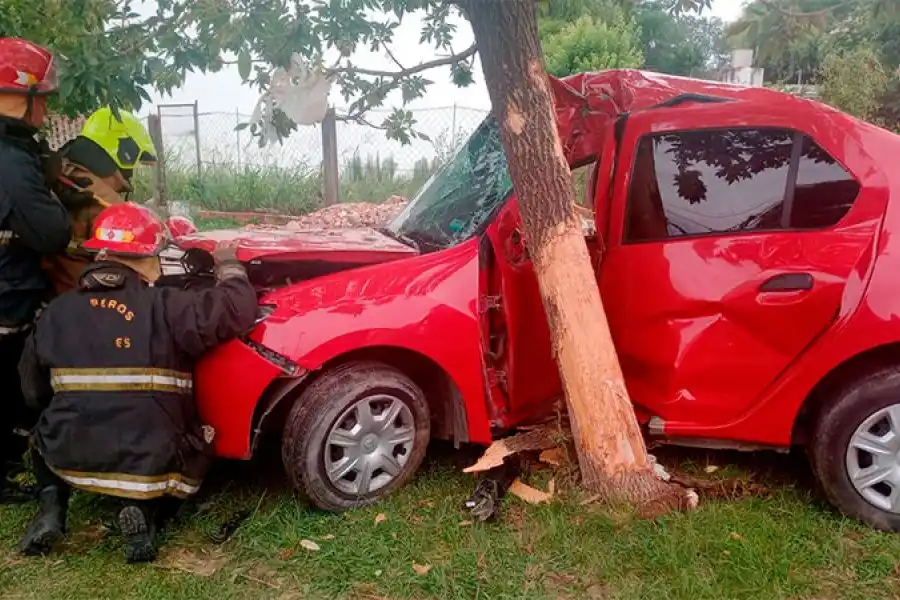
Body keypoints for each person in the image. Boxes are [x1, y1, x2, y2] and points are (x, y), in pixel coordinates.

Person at [17, 202, 258, 563]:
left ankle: (51, 508)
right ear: (146, 258)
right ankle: (144, 512)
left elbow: (32, 390)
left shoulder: (56, 312)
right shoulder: (166, 306)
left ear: (101, 255)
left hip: (70, 450)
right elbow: (236, 309)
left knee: (40, 436)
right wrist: (230, 266)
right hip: (153, 456)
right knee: (173, 455)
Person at [0, 37, 72, 502]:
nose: (45, 112)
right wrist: (51, 195)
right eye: (40, 100)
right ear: (16, 97)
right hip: (6, 296)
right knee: (9, 386)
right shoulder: (9, 161)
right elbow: (51, 234)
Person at [43, 106, 158, 296]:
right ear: (122, 153)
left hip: (54, 294)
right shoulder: (105, 205)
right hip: (86, 299)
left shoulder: (63, 177)